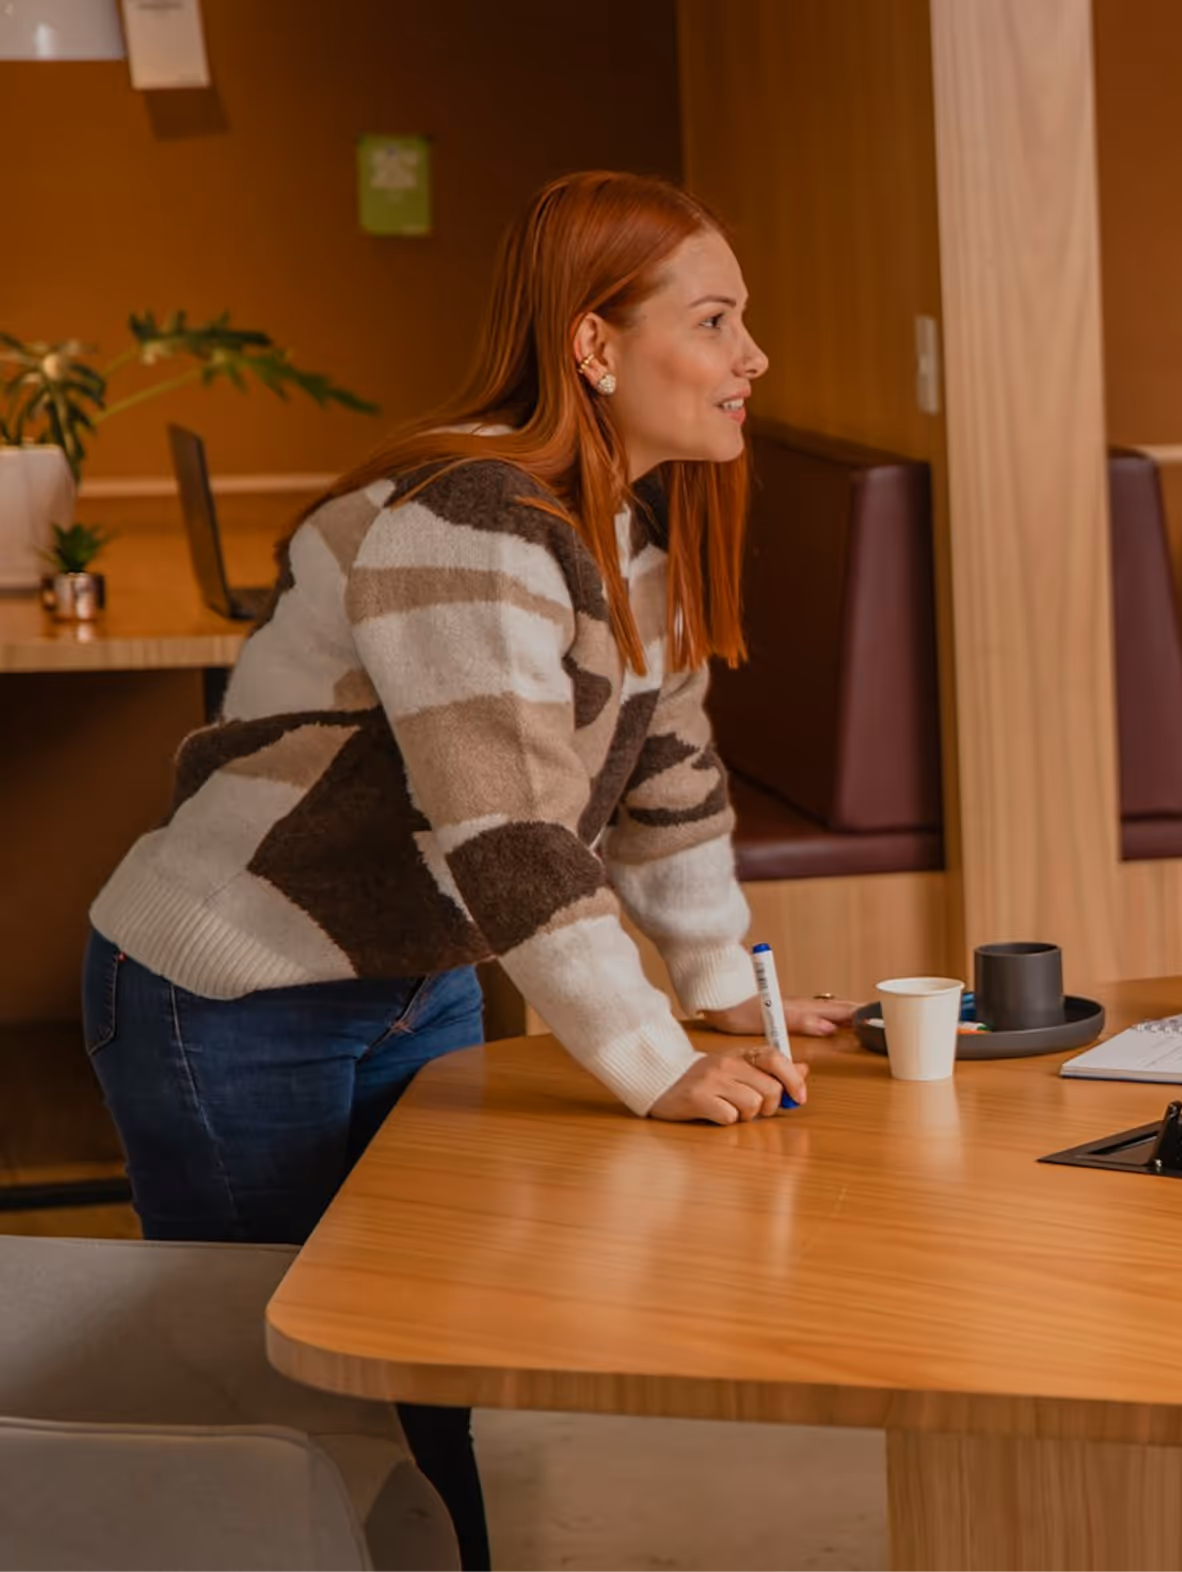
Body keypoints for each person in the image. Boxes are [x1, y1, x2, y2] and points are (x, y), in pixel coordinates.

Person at [79, 172, 851, 1571]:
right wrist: (648, 1056)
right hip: (241, 990)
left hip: (412, 980)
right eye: (719, 320)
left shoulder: (633, 533)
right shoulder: (470, 519)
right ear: (596, 347)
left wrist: (721, 985)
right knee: (278, 1406)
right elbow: (501, 825)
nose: (754, 359)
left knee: (422, 1390)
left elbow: (666, 781)